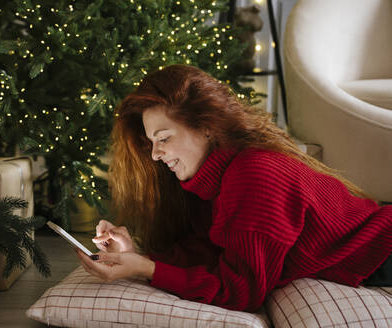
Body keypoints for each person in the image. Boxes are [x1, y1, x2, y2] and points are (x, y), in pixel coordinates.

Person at [75, 64, 392, 312]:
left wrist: (145, 267)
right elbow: (210, 251)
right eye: (151, 142)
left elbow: (240, 293)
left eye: (164, 138)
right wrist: (134, 255)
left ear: (206, 127)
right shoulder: (216, 179)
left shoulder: (253, 175)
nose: (156, 155)